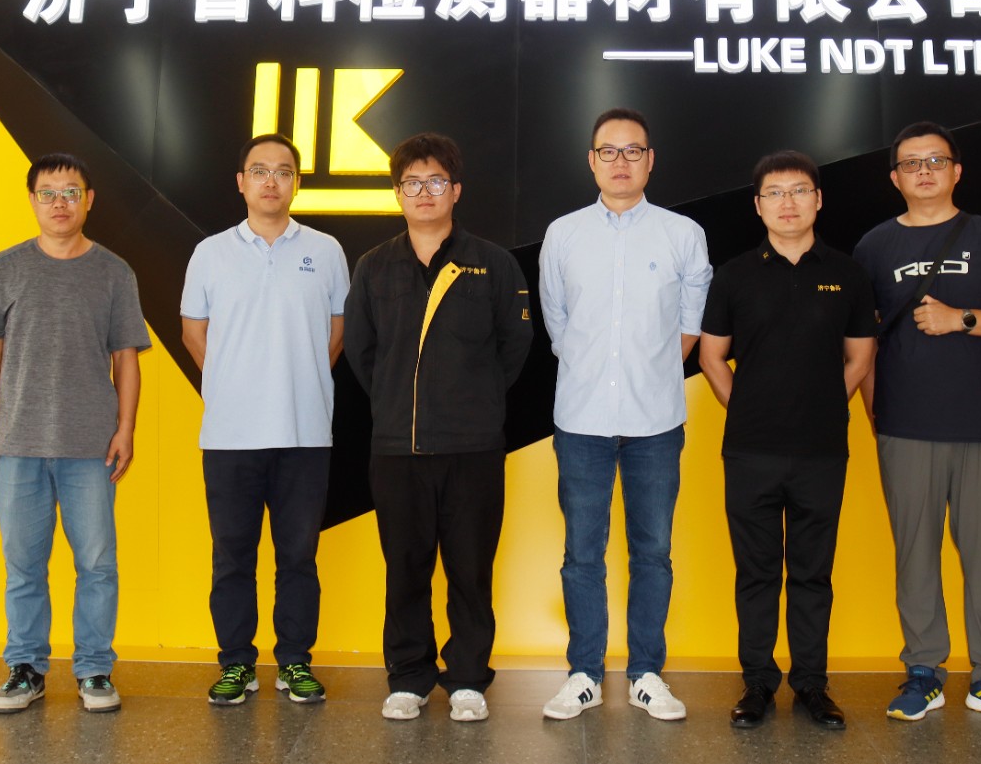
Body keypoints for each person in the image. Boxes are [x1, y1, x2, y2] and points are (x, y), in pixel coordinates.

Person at [852, 121, 981, 725]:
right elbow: (863, 342)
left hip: (980, 423)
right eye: (912, 163)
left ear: (957, 171)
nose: (925, 171)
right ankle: (923, 672)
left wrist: (961, 318)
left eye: (936, 161)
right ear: (895, 178)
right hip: (904, 424)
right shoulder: (874, 246)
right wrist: (876, 414)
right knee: (914, 554)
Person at [344, 133, 533, 723]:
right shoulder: (374, 266)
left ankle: (469, 678)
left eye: (435, 182)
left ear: (456, 190)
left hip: (473, 447)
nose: (424, 192)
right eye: (411, 183)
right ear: (397, 193)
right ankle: (409, 677)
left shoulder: (493, 263)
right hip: (396, 447)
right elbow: (362, 353)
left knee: (470, 569)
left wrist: (471, 402)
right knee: (405, 569)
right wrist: (399, 402)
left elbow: (514, 346)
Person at [537, 107, 713, 721]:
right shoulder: (563, 234)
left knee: (653, 553)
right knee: (581, 555)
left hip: (656, 422)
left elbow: (689, 330)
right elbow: (558, 323)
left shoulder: (682, 234)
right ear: (591, 161)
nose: (620, 162)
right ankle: (583, 673)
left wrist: (645, 370)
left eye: (632, 151)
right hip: (580, 420)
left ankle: (646, 674)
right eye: (608, 151)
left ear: (650, 160)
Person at [699, 151, 876, 730]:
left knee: (812, 574)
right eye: (775, 193)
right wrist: (747, 408)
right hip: (750, 450)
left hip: (821, 451)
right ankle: (756, 684)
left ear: (818, 200)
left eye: (799, 191)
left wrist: (824, 405)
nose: (788, 203)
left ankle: (811, 685)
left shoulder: (848, 273)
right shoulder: (734, 275)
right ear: (758, 206)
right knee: (755, 573)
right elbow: (711, 356)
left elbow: (860, 357)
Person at [0, 152, 150, 714]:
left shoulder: (114, 272)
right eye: (47, 193)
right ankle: (25, 669)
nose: (59, 203)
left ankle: (94, 669)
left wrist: (125, 428)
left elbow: (126, 358)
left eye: (70, 192)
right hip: (19, 443)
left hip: (90, 446)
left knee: (97, 564)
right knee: (23, 566)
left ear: (88, 200)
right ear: (32, 200)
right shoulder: (4, 267)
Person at [180, 133, 349, 705]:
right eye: (259, 171)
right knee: (232, 557)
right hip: (230, 436)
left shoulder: (326, 250)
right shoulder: (210, 253)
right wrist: (234, 386)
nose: (271, 181)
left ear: (296, 182)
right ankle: (236, 663)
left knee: (298, 556)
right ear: (241, 182)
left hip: (305, 433)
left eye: (282, 171)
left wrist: (296, 380)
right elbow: (193, 333)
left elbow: (336, 334)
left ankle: (295, 661)